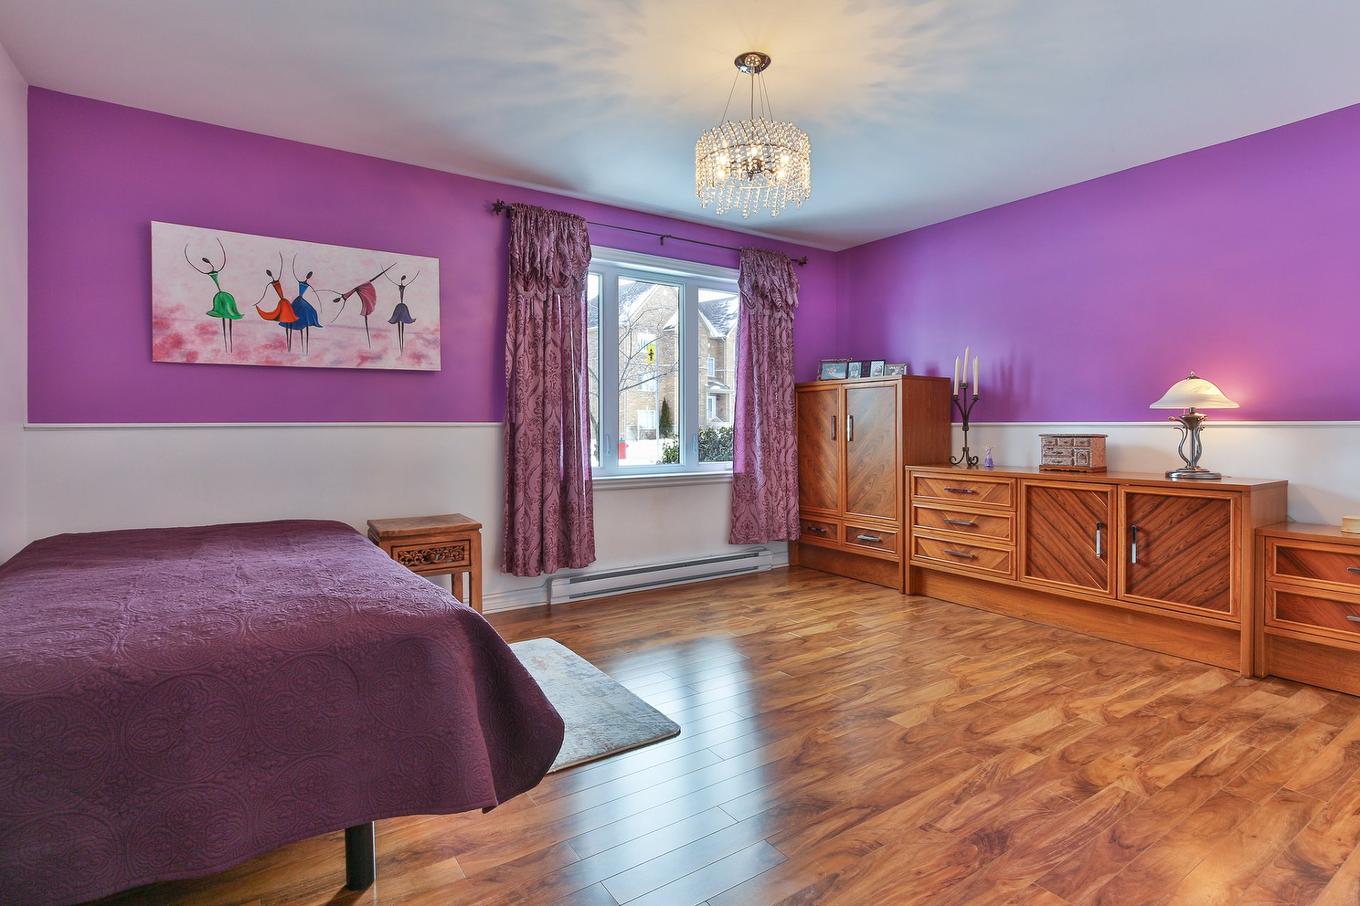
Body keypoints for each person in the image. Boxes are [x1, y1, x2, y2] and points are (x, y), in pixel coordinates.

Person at [185, 238, 241, 352]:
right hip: (221, 295)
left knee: (227, 317)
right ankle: (228, 345)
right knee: (226, 317)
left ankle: (228, 345)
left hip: (223, 296)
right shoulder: (221, 295)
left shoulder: (224, 295)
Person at [384, 269, 419, 354]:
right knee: (400, 322)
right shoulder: (401, 286)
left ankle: (401, 349)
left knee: (401, 321)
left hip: (402, 306)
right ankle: (401, 348)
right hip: (401, 306)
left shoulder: (402, 287)